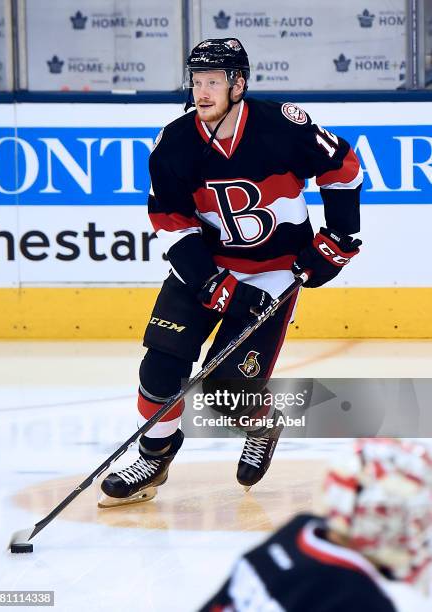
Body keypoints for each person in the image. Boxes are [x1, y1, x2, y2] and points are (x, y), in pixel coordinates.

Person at [98, 38, 363, 508]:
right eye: (197, 81)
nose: (202, 92)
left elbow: (342, 166)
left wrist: (339, 239)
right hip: (204, 268)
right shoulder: (174, 143)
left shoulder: (282, 126)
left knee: (224, 393)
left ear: (238, 84)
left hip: (273, 273)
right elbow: (171, 223)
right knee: (160, 367)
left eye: (213, 82)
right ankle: (153, 456)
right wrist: (211, 284)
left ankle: (261, 421)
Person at [199, 438, 432, 612]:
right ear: (368, 515)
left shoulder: (298, 532)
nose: (414, 531)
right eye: (404, 517)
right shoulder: (359, 597)